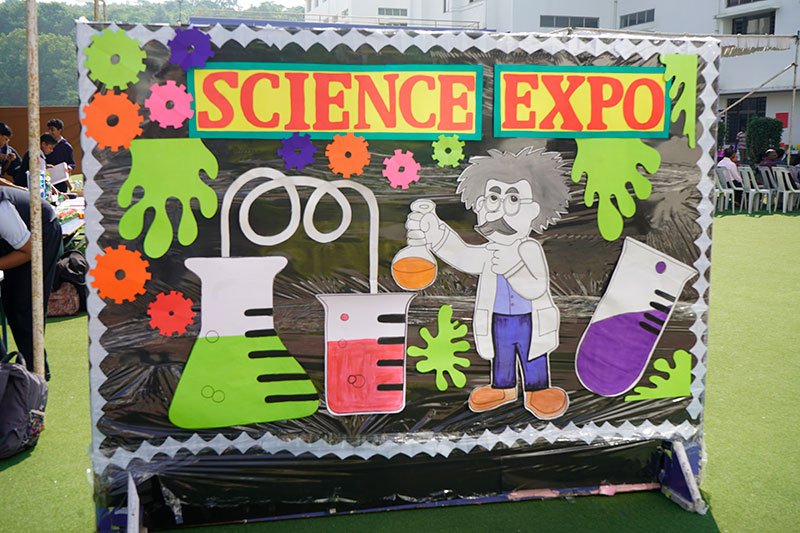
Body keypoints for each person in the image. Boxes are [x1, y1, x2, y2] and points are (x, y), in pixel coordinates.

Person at [404, 147, 570, 419]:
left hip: (530, 318)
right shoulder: (491, 250)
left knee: (532, 354)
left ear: (533, 210)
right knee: (502, 353)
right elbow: (463, 256)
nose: (501, 209)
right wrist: (434, 232)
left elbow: (537, 287)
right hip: (498, 318)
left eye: (513, 198)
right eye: (493, 197)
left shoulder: (529, 248)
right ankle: (503, 388)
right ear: (481, 205)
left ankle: (538, 389)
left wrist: (513, 269)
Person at [0, 185, 62, 379]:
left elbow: (30, 250)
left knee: (24, 306)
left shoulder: (2, 211)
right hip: (16, 241)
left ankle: (36, 377)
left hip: (41, 233)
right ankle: (8, 374)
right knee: (10, 302)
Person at [45, 119, 75, 194]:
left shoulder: (66, 147)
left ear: (59, 130)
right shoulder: (45, 144)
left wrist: (69, 168)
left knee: (61, 199)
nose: (50, 132)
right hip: (48, 181)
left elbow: (72, 163)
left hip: (61, 183)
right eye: (49, 130)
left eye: (52, 130)